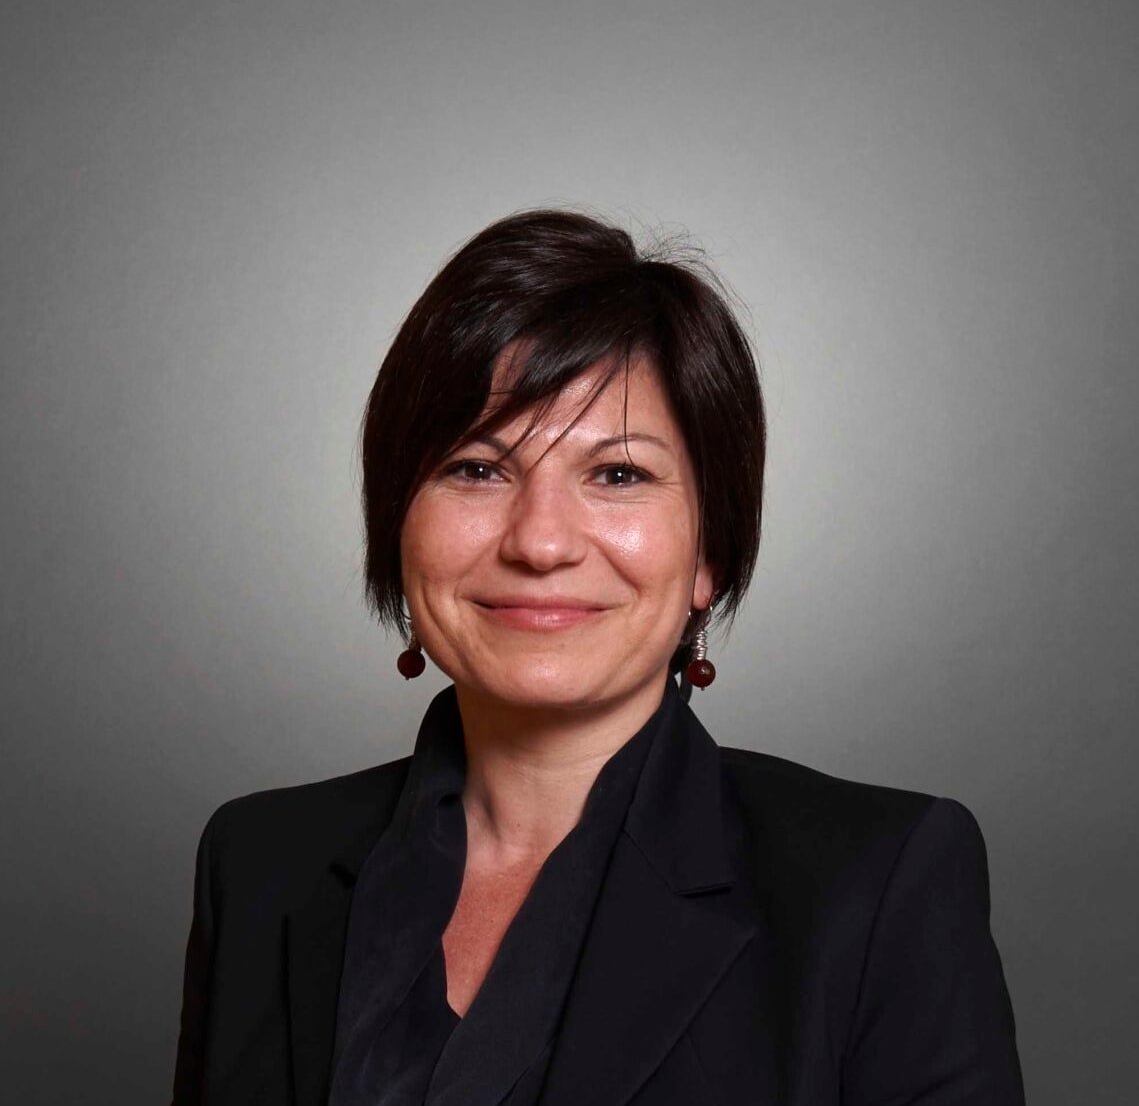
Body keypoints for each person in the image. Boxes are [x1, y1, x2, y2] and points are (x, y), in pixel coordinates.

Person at [171, 209, 1026, 1105]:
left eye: (618, 474)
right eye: (475, 468)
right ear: (395, 523)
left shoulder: (877, 883)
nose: (539, 542)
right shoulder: (260, 862)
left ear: (709, 551)